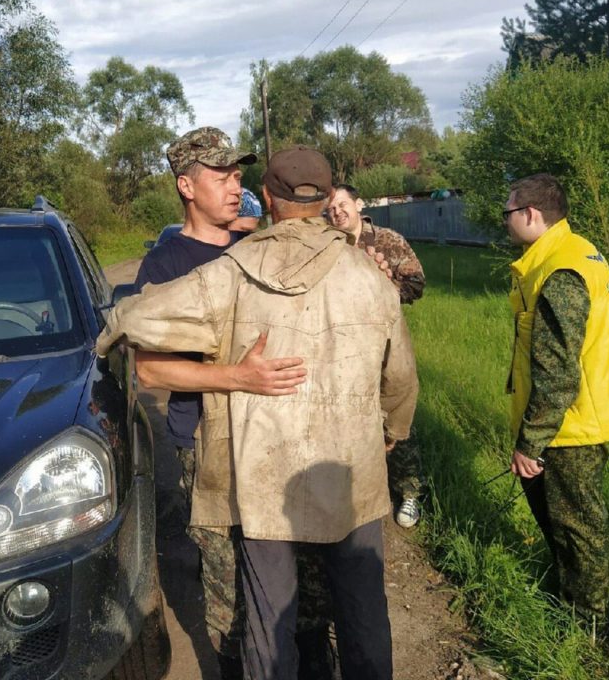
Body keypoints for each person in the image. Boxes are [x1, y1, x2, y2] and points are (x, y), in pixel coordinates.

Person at [99, 146, 419, 680]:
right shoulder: (369, 276)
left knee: (268, 621)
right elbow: (402, 380)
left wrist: (109, 326)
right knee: (363, 612)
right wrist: (392, 431)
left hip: (262, 478)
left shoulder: (230, 272)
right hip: (352, 475)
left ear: (266, 198)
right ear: (326, 197)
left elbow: (134, 321)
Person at [132, 126, 331, 677]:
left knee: (303, 576)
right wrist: (237, 377)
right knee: (228, 586)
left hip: (279, 433)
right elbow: (149, 369)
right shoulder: (166, 266)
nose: (233, 185)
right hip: (206, 442)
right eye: (220, 175)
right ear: (186, 186)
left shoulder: (259, 248)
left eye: (238, 175)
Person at [503, 173, 609, 630]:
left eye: (508, 213)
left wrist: (531, 443)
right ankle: (576, 595)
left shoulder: (559, 271)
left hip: (571, 426)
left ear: (530, 215)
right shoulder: (578, 249)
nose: (504, 221)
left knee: (577, 527)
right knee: (573, 523)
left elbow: (558, 372)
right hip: (581, 414)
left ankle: (588, 624)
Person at [327, 183, 427, 528]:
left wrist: (384, 289)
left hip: (386, 342)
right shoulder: (328, 245)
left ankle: (409, 491)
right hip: (343, 348)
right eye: (331, 209)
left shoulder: (387, 241)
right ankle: (353, 487)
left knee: (398, 413)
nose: (337, 212)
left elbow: (416, 283)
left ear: (358, 204)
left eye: (342, 205)